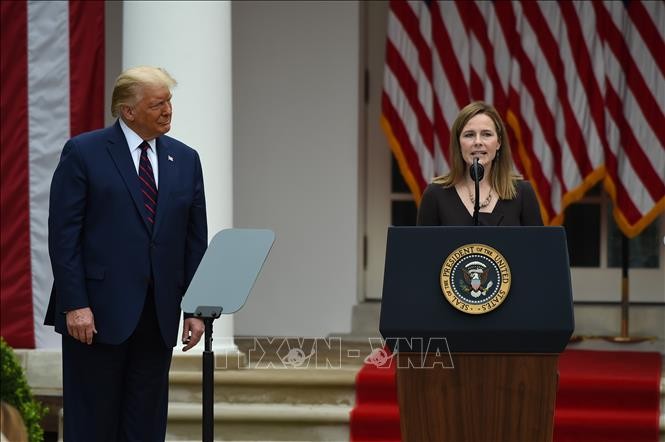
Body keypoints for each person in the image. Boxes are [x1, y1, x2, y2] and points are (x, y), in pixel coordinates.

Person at [45, 66, 208, 441]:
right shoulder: (84, 152)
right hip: (95, 316)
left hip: (157, 314)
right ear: (128, 111)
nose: (168, 111)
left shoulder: (185, 159)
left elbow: (193, 240)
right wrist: (75, 304)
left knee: (147, 425)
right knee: (94, 424)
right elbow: (64, 235)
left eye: (169, 102)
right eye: (157, 104)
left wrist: (196, 308)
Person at [417, 101, 543, 226]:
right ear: (458, 144)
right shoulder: (435, 194)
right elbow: (423, 245)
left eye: (486, 134)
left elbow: (538, 245)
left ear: (498, 142)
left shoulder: (522, 193)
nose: (478, 142)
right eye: (469, 135)